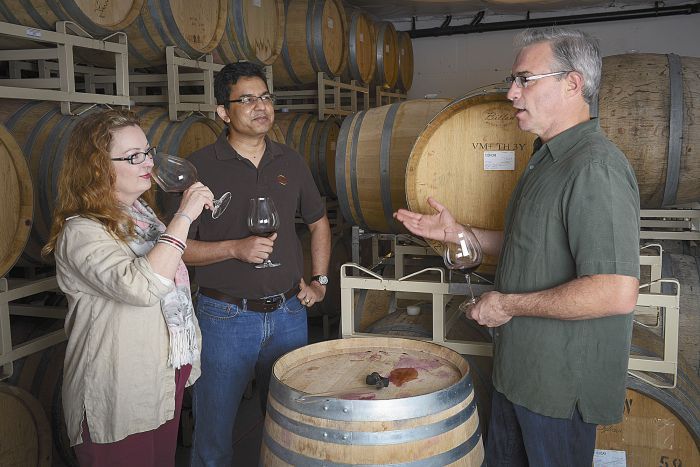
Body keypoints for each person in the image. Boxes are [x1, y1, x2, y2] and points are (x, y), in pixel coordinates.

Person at [395, 28, 640, 466]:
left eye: (525, 79)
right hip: (519, 374)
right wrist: (460, 235)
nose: (511, 93)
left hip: (556, 387)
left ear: (572, 83)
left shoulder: (594, 167)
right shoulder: (545, 158)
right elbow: (530, 243)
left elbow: (615, 290)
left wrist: (506, 305)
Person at [42, 109, 214, 466]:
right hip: (119, 389)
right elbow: (141, 287)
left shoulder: (141, 216)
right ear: (97, 168)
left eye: (147, 151)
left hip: (161, 377)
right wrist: (183, 217)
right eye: (133, 157)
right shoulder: (82, 232)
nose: (147, 162)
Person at [182, 61, 331, 466]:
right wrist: (234, 249)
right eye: (246, 99)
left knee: (290, 431)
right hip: (223, 317)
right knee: (213, 440)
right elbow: (175, 248)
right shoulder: (200, 167)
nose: (260, 106)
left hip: (288, 314)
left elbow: (318, 223)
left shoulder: (290, 161)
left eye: (264, 96)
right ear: (223, 111)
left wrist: (319, 282)